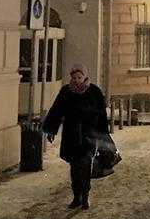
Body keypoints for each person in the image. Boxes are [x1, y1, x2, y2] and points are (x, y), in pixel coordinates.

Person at [43, 64, 109, 210]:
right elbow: (56, 110)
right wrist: (51, 130)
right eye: (74, 78)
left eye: (80, 78)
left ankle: (84, 196)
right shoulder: (66, 92)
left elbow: (101, 113)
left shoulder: (93, 91)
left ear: (85, 76)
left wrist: (102, 133)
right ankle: (76, 196)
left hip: (88, 136)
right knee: (74, 168)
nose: (77, 81)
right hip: (71, 135)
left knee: (85, 166)